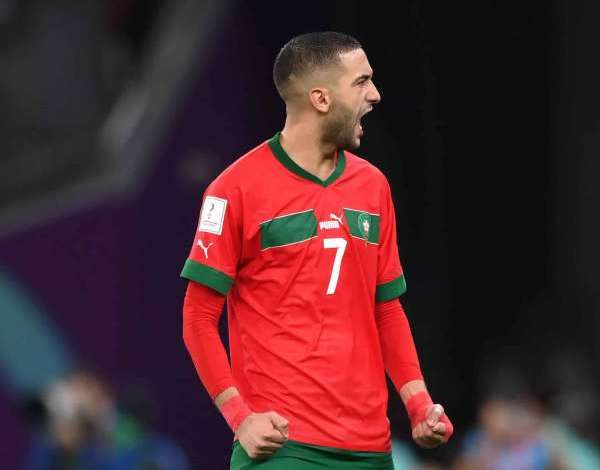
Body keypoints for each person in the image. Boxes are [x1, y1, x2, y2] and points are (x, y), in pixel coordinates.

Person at [180, 31, 453, 469]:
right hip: (285, 449)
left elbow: (386, 309)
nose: (375, 95)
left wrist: (419, 404)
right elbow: (197, 318)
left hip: (371, 450)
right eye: (361, 82)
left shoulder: (373, 187)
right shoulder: (234, 190)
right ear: (321, 99)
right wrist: (240, 418)